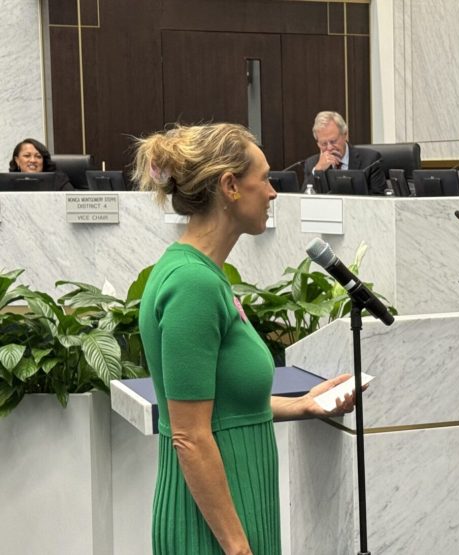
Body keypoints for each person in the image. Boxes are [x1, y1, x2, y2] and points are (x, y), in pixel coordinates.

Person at [134, 123, 361, 554]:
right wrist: (238, 547)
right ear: (230, 186)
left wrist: (301, 404)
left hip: (234, 514)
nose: (273, 193)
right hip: (213, 530)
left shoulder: (200, 274)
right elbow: (189, 435)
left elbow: (218, 404)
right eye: (265, 179)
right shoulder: (192, 284)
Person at [301, 111, 385, 194]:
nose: (329, 148)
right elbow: (302, 200)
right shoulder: (312, 164)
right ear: (318, 144)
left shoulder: (371, 160)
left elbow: (380, 199)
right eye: (324, 144)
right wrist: (317, 171)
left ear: (345, 134)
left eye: (333, 141)